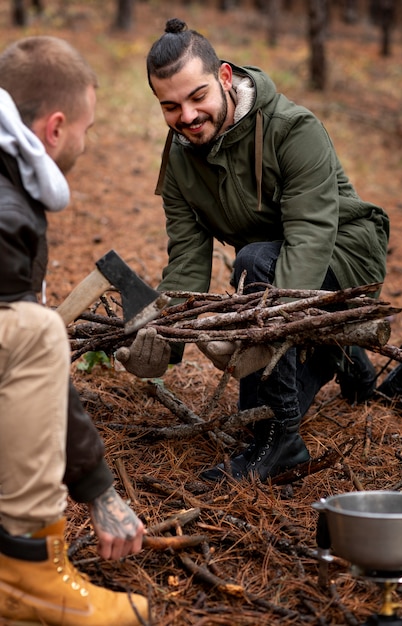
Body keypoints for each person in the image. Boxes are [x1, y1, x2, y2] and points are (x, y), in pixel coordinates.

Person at [118, 18, 389, 484]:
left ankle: (277, 441)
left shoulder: (293, 128)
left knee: (254, 263)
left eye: (197, 96)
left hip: (345, 251)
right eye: (170, 106)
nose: (186, 116)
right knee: (258, 264)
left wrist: (258, 328)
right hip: (275, 271)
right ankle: (341, 354)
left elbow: (308, 237)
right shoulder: (181, 158)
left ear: (224, 77)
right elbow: (186, 257)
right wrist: (165, 338)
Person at [0, 36, 149, 624]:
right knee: (35, 333)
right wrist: (99, 490)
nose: (88, 143)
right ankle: (28, 570)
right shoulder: (6, 213)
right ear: (56, 127)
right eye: (88, 128)